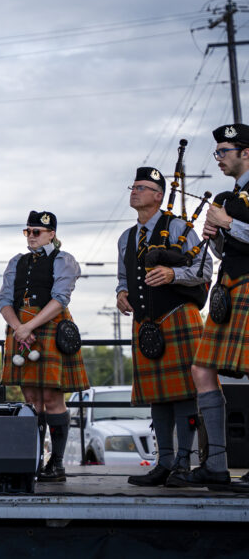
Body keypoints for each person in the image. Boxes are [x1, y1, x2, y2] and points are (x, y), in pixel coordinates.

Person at [116, 168, 211, 487]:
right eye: (133, 186)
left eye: (142, 187)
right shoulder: (126, 237)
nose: (135, 191)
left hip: (177, 316)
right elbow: (123, 276)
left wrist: (173, 275)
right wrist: (121, 293)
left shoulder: (178, 228)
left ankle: (185, 463)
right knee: (157, 397)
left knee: (185, 394)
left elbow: (205, 268)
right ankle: (164, 462)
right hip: (146, 323)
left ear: (159, 195)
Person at [170, 124, 249, 489]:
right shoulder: (228, 197)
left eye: (223, 151)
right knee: (202, 370)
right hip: (228, 288)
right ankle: (215, 464)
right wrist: (215, 235)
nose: (217, 158)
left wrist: (228, 223)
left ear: (245, 152)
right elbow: (222, 251)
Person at [0, 210, 89, 483]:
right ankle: (34, 459)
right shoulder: (17, 261)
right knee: (31, 400)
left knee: (52, 398)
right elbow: (3, 300)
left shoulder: (64, 260)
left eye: (37, 231)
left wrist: (29, 326)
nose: (31, 236)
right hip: (20, 329)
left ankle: (57, 463)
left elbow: (60, 298)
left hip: (49, 326)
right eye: (28, 231)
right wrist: (18, 328)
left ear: (52, 233)